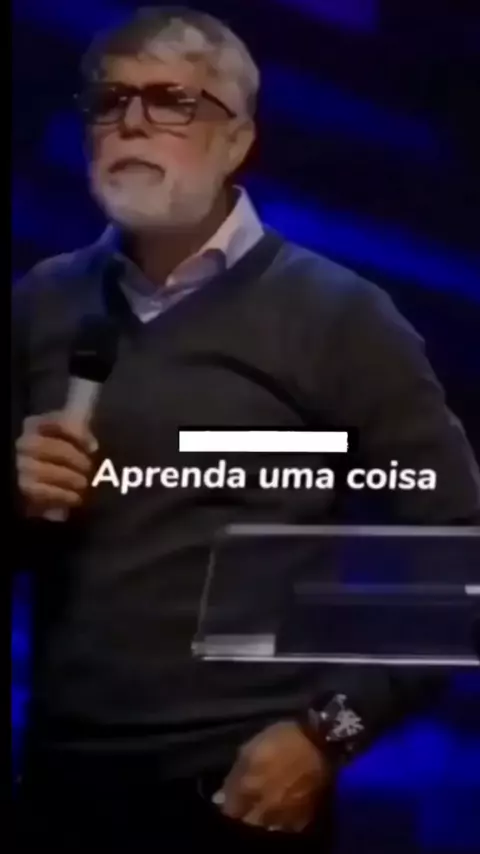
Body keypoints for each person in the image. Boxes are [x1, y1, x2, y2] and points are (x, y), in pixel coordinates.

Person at [12, 6, 480, 852]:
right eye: (110, 101)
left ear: (239, 141)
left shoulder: (340, 316)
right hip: (58, 788)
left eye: (172, 101)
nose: (131, 121)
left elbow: (458, 549)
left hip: (243, 796)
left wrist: (327, 735)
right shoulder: (42, 300)